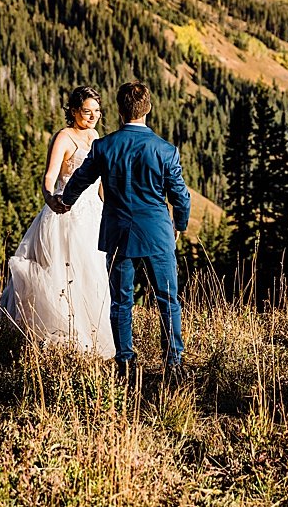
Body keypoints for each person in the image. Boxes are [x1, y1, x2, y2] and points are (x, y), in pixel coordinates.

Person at [53, 81, 192, 381]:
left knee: (121, 301)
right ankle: (174, 363)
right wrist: (179, 224)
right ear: (148, 109)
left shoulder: (105, 147)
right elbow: (180, 195)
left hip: (118, 232)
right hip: (157, 233)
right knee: (167, 299)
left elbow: (80, 179)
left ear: (118, 110)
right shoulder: (165, 151)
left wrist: (64, 201)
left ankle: (125, 362)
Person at [0, 85, 116, 358]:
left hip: (92, 213)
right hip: (67, 213)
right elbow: (50, 175)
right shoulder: (63, 137)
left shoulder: (95, 135)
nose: (93, 117)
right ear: (74, 111)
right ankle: (61, 333)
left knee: (93, 272)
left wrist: (108, 203)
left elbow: (98, 182)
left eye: (97, 111)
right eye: (87, 112)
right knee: (65, 272)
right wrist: (50, 198)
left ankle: (92, 333)